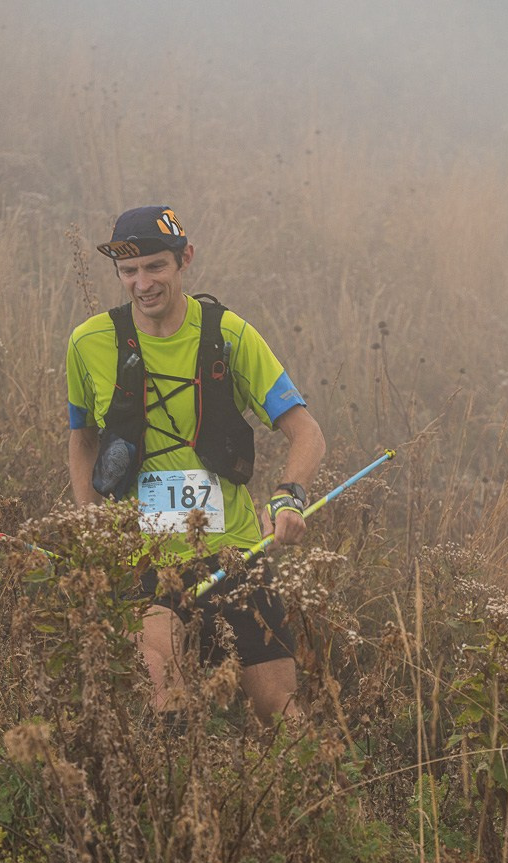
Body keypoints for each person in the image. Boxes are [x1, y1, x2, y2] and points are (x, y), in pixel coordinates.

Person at [66, 205, 326, 726]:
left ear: (185, 259)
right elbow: (83, 440)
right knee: (168, 705)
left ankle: (321, 806)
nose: (142, 284)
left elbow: (306, 432)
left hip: (236, 554)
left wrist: (288, 496)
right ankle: (185, 806)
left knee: (282, 714)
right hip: (143, 560)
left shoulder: (230, 335)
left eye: (155, 267)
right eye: (129, 271)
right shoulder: (88, 343)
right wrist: (90, 525)